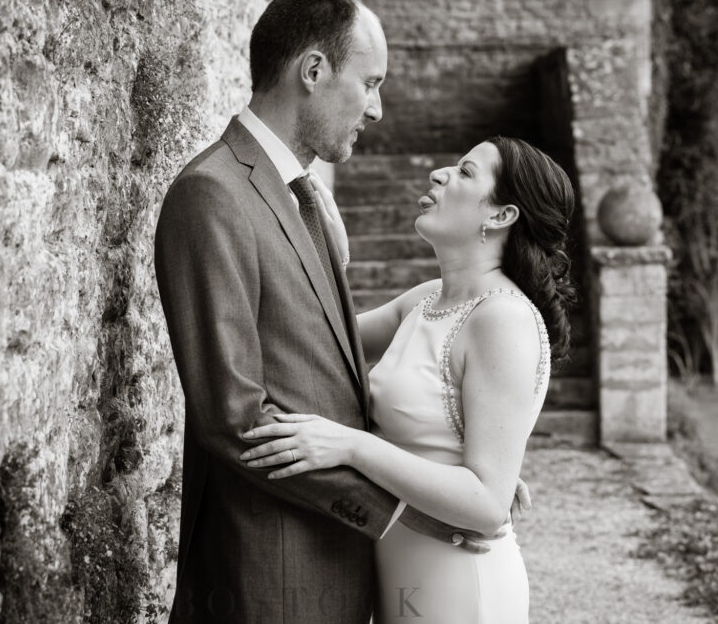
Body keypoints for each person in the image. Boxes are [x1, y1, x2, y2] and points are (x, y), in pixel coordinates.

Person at [154, 0, 521, 624]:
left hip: (342, 570)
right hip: (269, 573)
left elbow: (326, 372)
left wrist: (446, 469)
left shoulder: (310, 204)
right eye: (371, 82)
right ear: (314, 70)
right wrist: (403, 511)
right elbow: (234, 416)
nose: (377, 109)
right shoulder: (210, 194)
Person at [240, 136, 577, 622]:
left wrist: (351, 446)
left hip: (459, 586)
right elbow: (318, 345)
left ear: (500, 216)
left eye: (465, 173)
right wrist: (330, 260)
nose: (438, 174)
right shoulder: (426, 298)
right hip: (400, 572)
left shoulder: (502, 319)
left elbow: (486, 503)